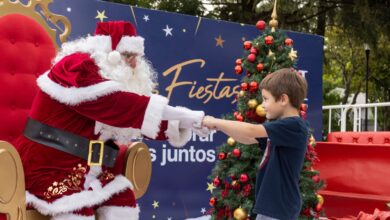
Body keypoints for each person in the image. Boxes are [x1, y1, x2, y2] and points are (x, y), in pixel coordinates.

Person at [14, 21, 208, 220]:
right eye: (128, 56)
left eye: (136, 57)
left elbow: (132, 119)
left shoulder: (104, 76)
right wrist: (188, 116)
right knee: (78, 209)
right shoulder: (77, 66)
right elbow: (122, 106)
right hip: (47, 166)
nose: (134, 64)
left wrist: (185, 124)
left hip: (84, 168)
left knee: (121, 198)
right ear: (108, 51)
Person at [202, 68, 309, 220]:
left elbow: (251, 130)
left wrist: (215, 121)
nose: (263, 105)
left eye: (266, 99)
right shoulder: (281, 127)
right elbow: (247, 138)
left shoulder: (294, 126)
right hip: (271, 207)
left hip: (279, 208)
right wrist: (219, 126)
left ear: (283, 99)